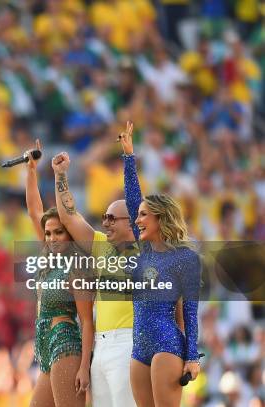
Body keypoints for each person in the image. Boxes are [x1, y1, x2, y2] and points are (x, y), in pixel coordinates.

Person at [49, 122, 139, 407]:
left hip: (129, 343)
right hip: (100, 346)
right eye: (105, 218)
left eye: (113, 219)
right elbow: (68, 216)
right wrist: (60, 176)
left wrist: (128, 157)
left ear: (133, 223)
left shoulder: (145, 249)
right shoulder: (100, 245)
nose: (106, 223)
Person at [119, 123, 201, 407]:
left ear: (160, 220)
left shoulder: (186, 258)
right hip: (138, 348)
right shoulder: (143, 250)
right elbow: (131, 200)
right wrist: (129, 156)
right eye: (138, 215)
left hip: (167, 344)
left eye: (144, 216)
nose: (137, 220)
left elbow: (190, 313)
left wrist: (192, 356)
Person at [25, 139, 94, 407]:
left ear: (70, 235)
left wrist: (84, 366)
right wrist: (31, 170)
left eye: (59, 232)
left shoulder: (77, 266)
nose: (52, 238)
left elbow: (86, 320)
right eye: (49, 233)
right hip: (44, 345)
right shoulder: (47, 255)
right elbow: (34, 212)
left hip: (64, 341)